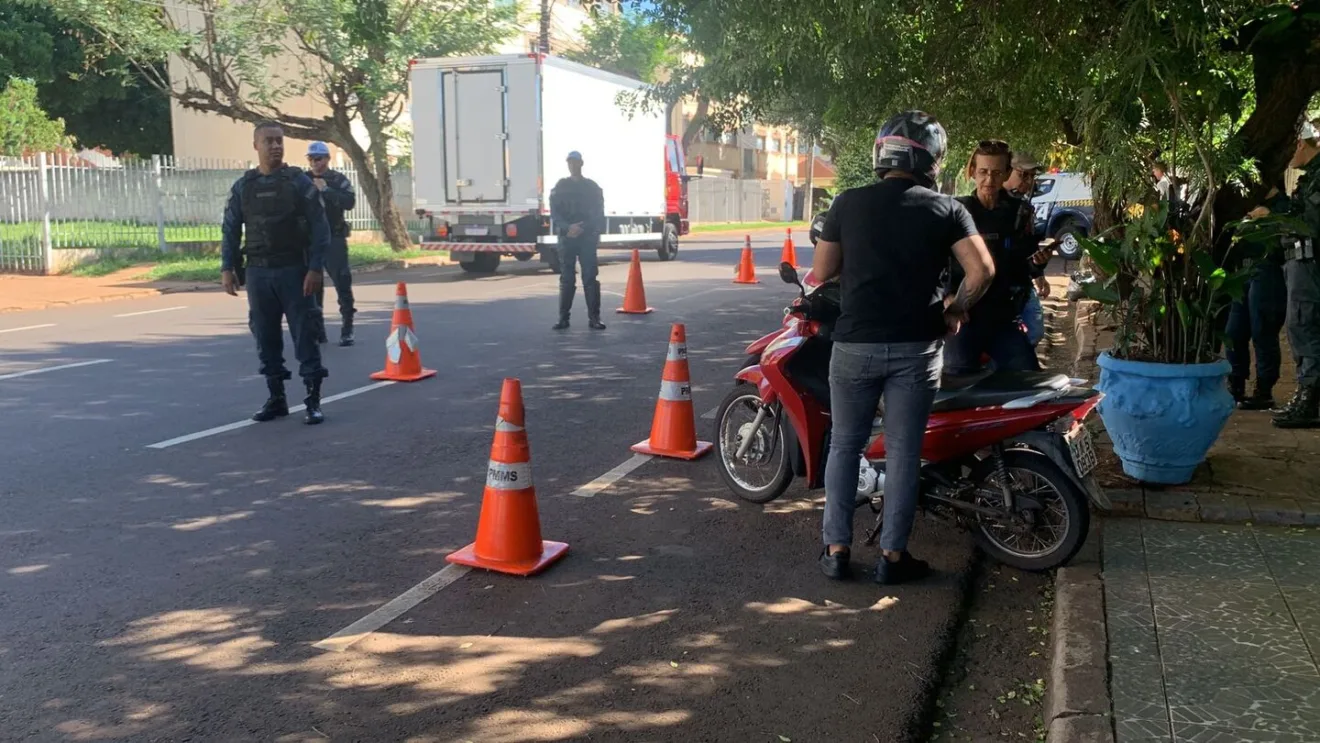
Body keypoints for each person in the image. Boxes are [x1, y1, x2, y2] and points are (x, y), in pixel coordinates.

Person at [813, 110, 995, 586]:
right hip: (917, 348)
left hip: (854, 346)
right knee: (902, 452)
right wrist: (955, 310)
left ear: (883, 151)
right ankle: (892, 558)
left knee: (845, 447)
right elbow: (983, 272)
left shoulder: (848, 203)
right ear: (931, 159)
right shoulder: (946, 209)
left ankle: (835, 550)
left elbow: (823, 270)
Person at [221, 121, 331, 425]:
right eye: (268, 141)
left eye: (279, 140)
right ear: (256, 146)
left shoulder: (298, 182)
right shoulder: (244, 186)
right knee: (265, 336)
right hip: (258, 273)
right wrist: (227, 267)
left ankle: (312, 400)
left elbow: (321, 228)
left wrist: (315, 268)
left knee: (304, 334)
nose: (275, 146)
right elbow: (230, 228)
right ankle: (276, 397)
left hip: (295, 270)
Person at [943, 140, 1050, 373]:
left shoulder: (1019, 213)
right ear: (972, 172)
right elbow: (935, 264)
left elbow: (1023, 266)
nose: (989, 180)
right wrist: (948, 297)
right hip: (964, 318)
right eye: (983, 172)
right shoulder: (956, 212)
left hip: (1004, 319)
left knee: (1028, 381)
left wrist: (1037, 264)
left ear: (1006, 174)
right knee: (953, 386)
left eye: (996, 173)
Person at [1265, 120, 1320, 428]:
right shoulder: (1310, 179)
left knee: (1304, 326)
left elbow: (1309, 224)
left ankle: (1310, 402)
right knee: (1302, 328)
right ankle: (1307, 396)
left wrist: (1274, 215)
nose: (1292, 155)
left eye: (1296, 146)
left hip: (1309, 264)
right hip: (1301, 262)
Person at [1226, 182, 1289, 410]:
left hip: (1268, 270)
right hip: (1242, 272)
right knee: (1234, 331)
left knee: (1263, 330)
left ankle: (1264, 389)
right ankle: (1236, 383)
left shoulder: (1284, 206)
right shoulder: (1244, 205)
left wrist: (1271, 215)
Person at [305, 141, 358, 347]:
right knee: (313, 287)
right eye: (311, 159)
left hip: (333, 238)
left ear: (327, 159)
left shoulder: (338, 179)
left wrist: (326, 190)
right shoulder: (304, 179)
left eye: (318, 159)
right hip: (310, 241)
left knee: (342, 283)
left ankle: (347, 328)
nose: (314, 163)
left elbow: (349, 202)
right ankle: (318, 331)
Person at [549, 151, 606, 331]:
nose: (572, 165)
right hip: (567, 238)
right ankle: (563, 318)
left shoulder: (592, 187)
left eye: (575, 162)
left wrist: (582, 227)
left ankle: (594, 318)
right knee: (566, 279)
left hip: (586, 237)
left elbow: (598, 213)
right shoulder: (561, 186)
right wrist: (568, 227)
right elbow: (555, 214)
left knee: (590, 277)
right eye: (570, 163)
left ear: (582, 164)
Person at [1005, 152, 1051, 347]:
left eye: (1031, 176)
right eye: (1023, 174)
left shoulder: (1025, 208)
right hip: (998, 286)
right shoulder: (987, 204)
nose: (1028, 181)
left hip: (1022, 282)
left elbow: (1029, 245)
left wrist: (1039, 271)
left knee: (1034, 331)